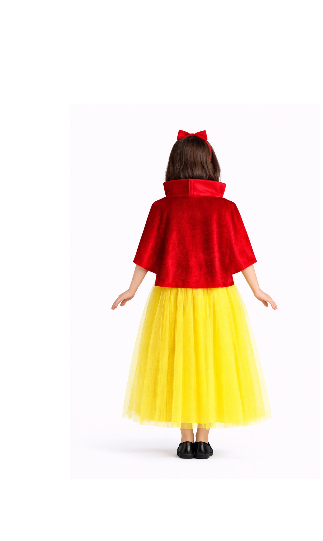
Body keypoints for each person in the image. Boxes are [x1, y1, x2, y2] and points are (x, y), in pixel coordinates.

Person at [111, 130, 277, 459]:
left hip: (171, 297)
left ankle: (185, 439)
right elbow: (242, 254)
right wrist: (256, 289)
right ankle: (203, 439)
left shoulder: (161, 208)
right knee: (212, 362)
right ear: (210, 164)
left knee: (178, 363)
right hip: (217, 298)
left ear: (174, 164)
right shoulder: (225, 208)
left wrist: (132, 288)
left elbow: (146, 254)